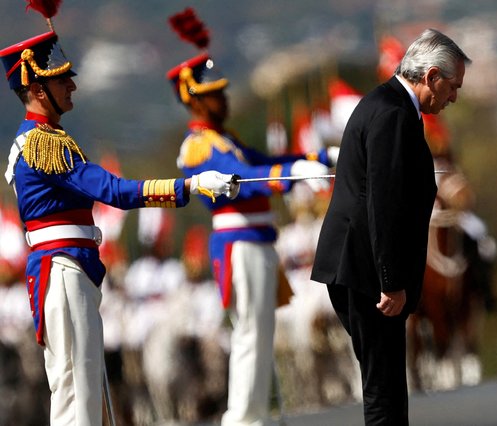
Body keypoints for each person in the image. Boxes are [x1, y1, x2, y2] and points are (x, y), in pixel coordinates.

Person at [0, 10, 240, 425]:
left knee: (84, 388)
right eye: (61, 79)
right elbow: (114, 191)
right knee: (78, 393)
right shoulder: (43, 144)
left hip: (72, 265)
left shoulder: (48, 140)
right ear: (37, 89)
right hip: (63, 267)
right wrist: (191, 185)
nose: (71, 83)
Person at [166, 7, 338, 425]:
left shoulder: (226, 140)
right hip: (238, 242)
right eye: (216, 94)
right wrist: (292, 173)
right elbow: (243, 178)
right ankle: (242, 417)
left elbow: (267, 160)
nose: (224, 99)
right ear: (195, 100)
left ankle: (253, 414)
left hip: (257, 240)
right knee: (248, 334)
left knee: (259, 336)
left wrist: (316, 157)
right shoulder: (200, 148)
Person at [311, 28, 471, 425]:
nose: (453, 97)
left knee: (387, 384)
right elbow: (383, 203)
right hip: (367, 272)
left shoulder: (391, 106)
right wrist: (391, 280)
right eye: (452, 87)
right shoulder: (392, 114)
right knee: (383, 390)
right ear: (432, 76)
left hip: (361, 265)